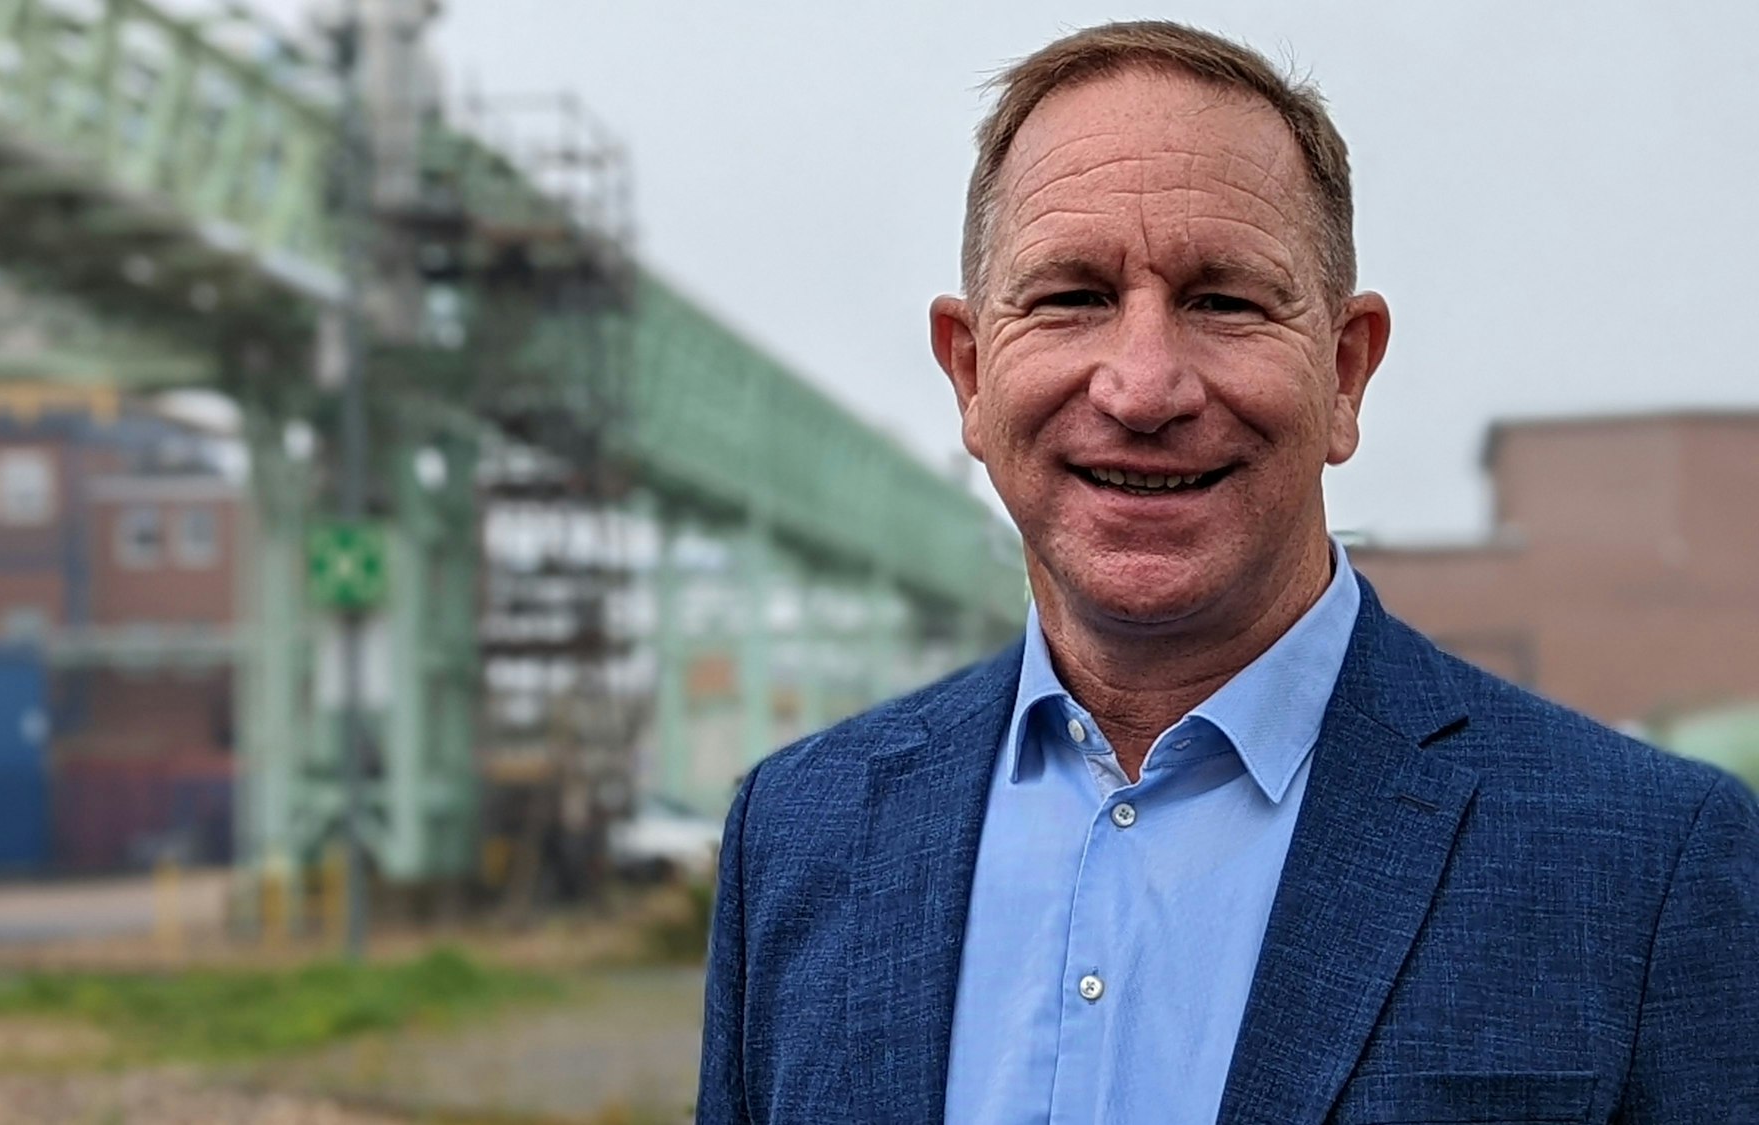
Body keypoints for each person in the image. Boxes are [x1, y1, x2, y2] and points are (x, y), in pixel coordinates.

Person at [696, 19, 1759, 1125]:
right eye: (1069, 297)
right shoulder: (799, 831)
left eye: (1223, 301)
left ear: (1343, 373)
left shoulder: (1640, 865)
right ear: (969, 372)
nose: (1143, 388)